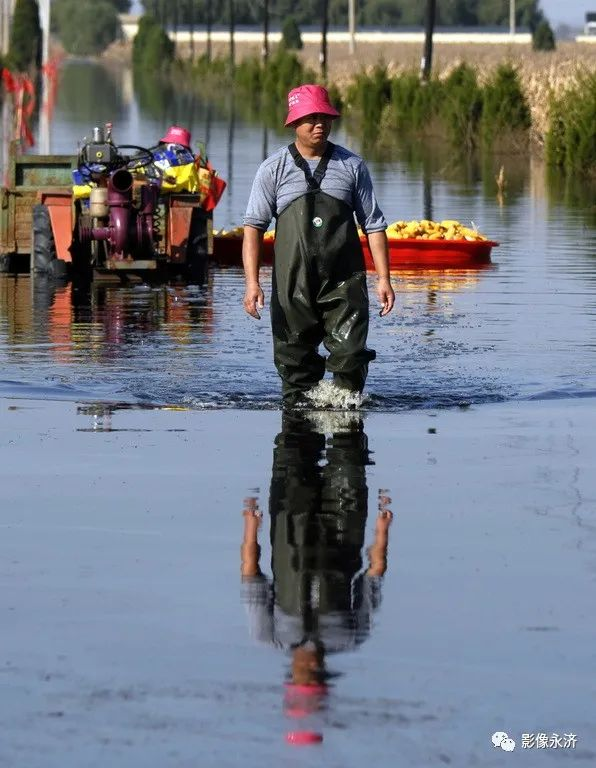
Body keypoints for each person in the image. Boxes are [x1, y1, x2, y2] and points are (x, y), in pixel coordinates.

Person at [240, 411, 394, 743]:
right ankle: (340, 403)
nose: (311, 670)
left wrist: (251, 526)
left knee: (293, 452)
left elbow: (251, 577)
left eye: (307, 679)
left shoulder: (268, 635)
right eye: (315, 678)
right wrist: (382, 530)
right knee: (349, 452)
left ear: (291, 681)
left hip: (289, 522)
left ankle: (308, 403)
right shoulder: (351, 637)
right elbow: (373, 578)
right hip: (344, 522)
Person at [242, 83, 395, 407]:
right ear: (293, 123)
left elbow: (375, 225)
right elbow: (253, 228)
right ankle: (298, 424)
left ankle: (346, 420)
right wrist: (252, 283)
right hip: (292, 283)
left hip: (344, 281)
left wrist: (384, 279)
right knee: (294, 358)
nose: (319, 124)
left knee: (351, 353)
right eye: (310, 118)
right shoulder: (273, 169)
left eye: (325, 117)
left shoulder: (352, 166)